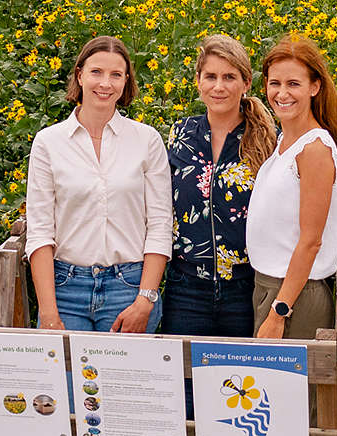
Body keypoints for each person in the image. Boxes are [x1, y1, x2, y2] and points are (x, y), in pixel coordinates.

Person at [25, 35, 171, 334]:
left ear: (125, 81)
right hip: (65, 290)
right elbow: (39, 231)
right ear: (79, 75)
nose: (105, 83)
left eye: (116, 75)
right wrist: (48, 311)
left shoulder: (146, 140)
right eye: (96, 72)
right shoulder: (48, 143)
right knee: (66, 381)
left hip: (129, 288)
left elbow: (159, 224)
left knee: (125, 381)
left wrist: (145, 300)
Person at [248, 34, 337, 340]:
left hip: (292, 297)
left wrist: (279, 311)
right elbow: (291, 227)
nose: (282, 93)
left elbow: (310, 241)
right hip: (272, 287)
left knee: (288, 389)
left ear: (315, 87)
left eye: (293, 84)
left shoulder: (314, 149)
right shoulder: (285, 141)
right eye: (275, 83)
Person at [162, 34, 277, 338]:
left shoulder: (268, 140)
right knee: (185, 384)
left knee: (240, 382)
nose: (219, 86)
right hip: (185, 289)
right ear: (198, 80)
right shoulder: (181, 133)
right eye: (210, 76)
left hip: (246, 291)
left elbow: (293, 208)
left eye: (229, 77)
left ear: (246, 83)